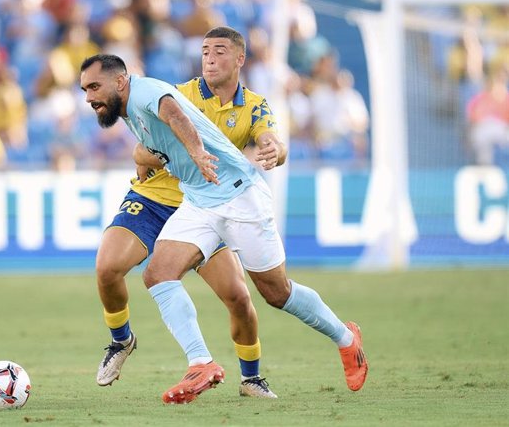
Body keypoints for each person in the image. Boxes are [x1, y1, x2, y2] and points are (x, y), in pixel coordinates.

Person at [80, 52, 369, 404]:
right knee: (158, 274)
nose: (89, 97)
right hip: (198, 199)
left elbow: (174, 113)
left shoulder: (146, 91)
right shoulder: (136, 106)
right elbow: (156, 140)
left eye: (94, 87)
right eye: (85, 90)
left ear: (121, 81)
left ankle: (345, 338)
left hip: (238, 196)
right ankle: (200, 363)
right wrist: (150, 158)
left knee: (275, 293)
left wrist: (201, 152)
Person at [92, 27, 286, 400]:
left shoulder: (253, 105)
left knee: (238, 298)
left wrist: (274, 150)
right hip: (156, 198)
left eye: (219, 53)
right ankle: (121, 340)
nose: (210, 60)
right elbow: (141, 150)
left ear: (238, 60)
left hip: (203, 206)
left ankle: (251, 378)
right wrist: (165, 153)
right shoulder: (177, 95)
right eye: (205, 53)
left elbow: (272, 140)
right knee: (107, 267)